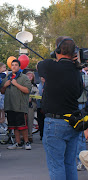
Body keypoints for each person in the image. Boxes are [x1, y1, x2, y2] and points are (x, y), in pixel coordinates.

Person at [37, 36, 83, 180]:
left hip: (55, 123)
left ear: (57, 50)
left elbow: (39, 65)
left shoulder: (50, 66)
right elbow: (79, 92)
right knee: (69, 164)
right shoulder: (77, 71)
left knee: (56, 165)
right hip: (73, 121)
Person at [0, 59, 32, 150]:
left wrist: (16, 84)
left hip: (20, 106)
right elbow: (2, 91)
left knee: (22, 126)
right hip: (10, 105)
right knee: (14, 126)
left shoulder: (24, 77)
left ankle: (27, 142)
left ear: (19, 67)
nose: (14, 66)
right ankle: (18, 143)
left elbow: (27, 90)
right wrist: (5, 85)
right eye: (12, 65)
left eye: (16, 65)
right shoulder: (7, 77)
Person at [76, 67, 88, 171]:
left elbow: (84, 85)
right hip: (70, 106)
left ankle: (82, 161)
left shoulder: (84, 76)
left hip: (81, 106)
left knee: (80, 135)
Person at [26, 71, 39, 143]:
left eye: (31, 76)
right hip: (22, 104)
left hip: (31, 105)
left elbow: (37, 96)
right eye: (28, 76)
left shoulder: (34, 86)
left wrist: (32, 98)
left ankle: (30, 136)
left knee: (30, 120)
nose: (29, 77)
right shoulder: (23, 84)